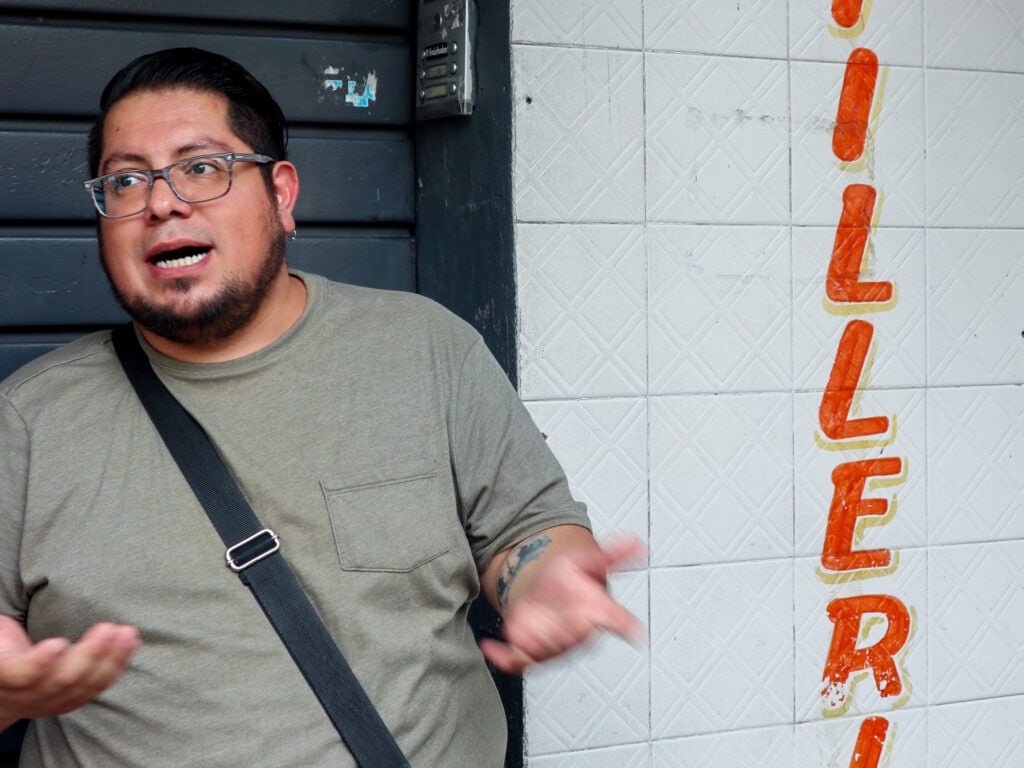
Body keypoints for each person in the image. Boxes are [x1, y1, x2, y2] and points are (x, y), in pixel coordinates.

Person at [0, 48, 642, 766]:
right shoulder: (27, 422)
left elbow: (529, 528)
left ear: (281, 194)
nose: (161, 201)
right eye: (125, 180)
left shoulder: (425, 350)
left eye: (202, 168)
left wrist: (549, 582)